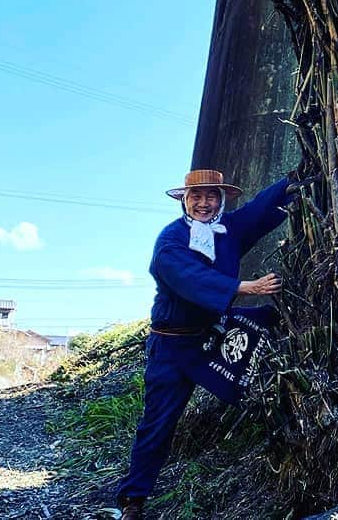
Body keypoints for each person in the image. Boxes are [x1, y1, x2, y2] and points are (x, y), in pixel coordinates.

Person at [115, 169, 293, 520]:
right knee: (158, 424)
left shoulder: (229, 229)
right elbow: (186, 277)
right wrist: (244, 287)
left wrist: (295, 180)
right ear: (185, 199)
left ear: (221, 199)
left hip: (214, 337)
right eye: (196, 196)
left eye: (211, 196)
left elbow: (261, 208)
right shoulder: (171, 239)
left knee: (274, 320)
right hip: (171, 347)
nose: (204, 203)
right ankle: (133, 499)